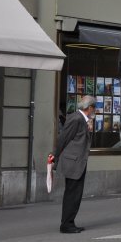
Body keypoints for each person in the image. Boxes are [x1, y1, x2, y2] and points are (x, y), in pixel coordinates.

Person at [53, 94, 96, 233]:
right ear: (89, 108)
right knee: (72, 194)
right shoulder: (76, 118)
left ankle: (69, 222)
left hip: (78, 162)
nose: (94, 111)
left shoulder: (83, 120)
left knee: (75, 194)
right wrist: (55, 157)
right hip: (74, 162)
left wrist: (89, 130)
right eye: (94, 108)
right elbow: (63, 139)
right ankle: (66, 225)